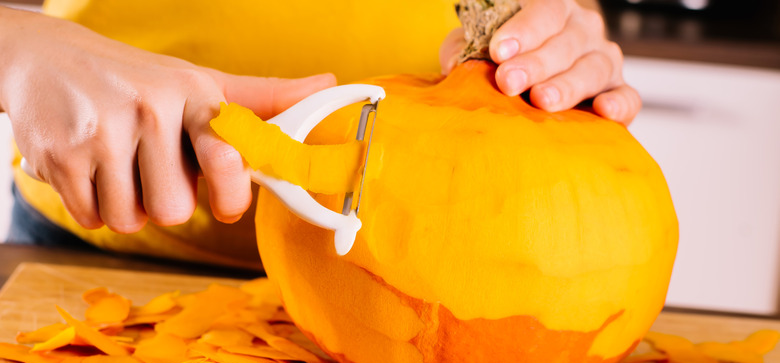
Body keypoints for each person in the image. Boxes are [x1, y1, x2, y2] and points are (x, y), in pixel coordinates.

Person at [0, 0, 640, 269]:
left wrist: (557, 35)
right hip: (100, 246)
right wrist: (16, 51)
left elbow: (564, 9)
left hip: (448, 263)